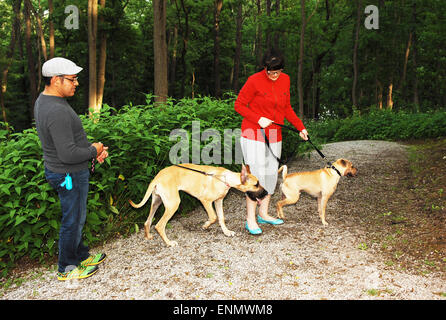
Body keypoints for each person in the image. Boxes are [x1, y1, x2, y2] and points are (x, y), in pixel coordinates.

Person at [34, 57, 109, 280]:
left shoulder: (47, 100)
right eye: (72, 79)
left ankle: (80, 255)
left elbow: (67, 143)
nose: (76, 83)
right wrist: (93, 150)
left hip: (68, 170)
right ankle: (67, 268)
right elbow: (67, 154)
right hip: (68, 174)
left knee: (77, 216)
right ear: (56, 80)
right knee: (72, 220)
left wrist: (91, 150)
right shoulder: (56, 111)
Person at [234, 49, 309, 235]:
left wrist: (300, 127)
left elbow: (287, 108)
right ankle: (250, 220)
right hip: (253, 134)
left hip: (274, 135)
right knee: (255, 178)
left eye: (278, 72)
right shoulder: (254, 80)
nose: (274, 76)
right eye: (271, 72)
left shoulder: (285, 79)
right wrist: (258, 118)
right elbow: (239, 105)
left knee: (270, 176)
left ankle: (264, 213)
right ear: (265, 68)